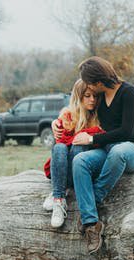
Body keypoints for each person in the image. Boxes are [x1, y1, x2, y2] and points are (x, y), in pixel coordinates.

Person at [70, 56, 134, 254]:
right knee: (80, 161)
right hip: (107, 150)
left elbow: (126, 132)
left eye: (89, 83)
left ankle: (92, 203)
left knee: (118, 151)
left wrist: (91, 140)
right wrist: (58, 121)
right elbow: (78, 108)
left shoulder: (129, 92)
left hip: (132, 150)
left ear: (98, 81)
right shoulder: (100, 98)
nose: (89, 88)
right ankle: (91, 223)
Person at [43, 79, 104, 228]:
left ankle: (60, 189)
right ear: (78, 96)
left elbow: (101, 136)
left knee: (78, 145)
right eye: (87, 96)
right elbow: (61, 139)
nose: (92, 100)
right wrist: (56, 124)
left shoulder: (99, 116)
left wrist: (84, 136)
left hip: (82, 172)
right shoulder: (68, 115)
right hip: (63, 167)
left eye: (95, 96)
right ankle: (59, 199)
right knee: (59, 148)